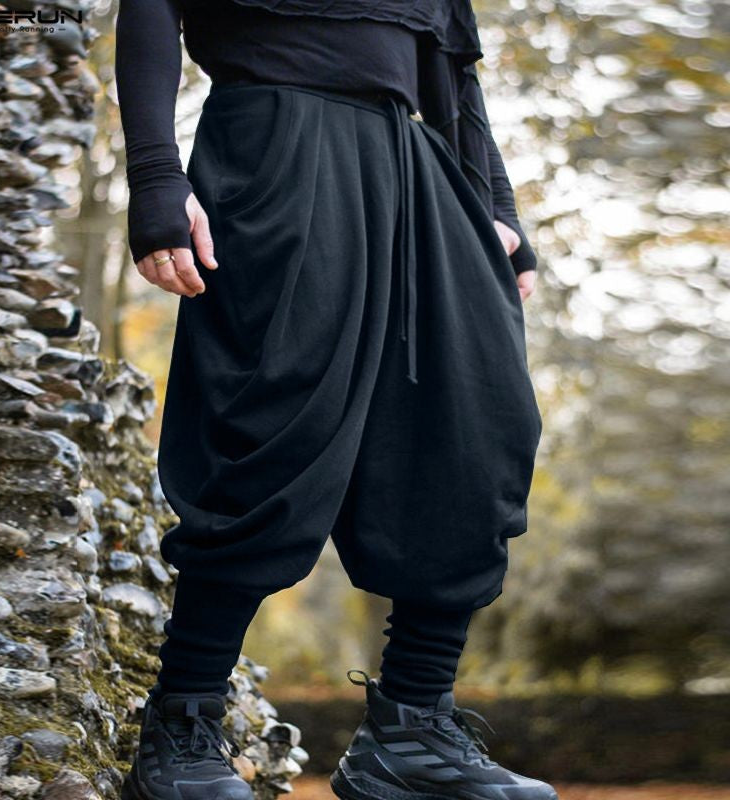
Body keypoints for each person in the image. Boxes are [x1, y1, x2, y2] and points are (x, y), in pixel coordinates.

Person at [115, 2, 552, 800]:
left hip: (421, 161)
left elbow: (451, 69)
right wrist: (154, 176)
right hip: (278, 138)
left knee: (477, 429)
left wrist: (499, 208)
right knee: (271, 423)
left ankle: (411, 733)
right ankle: (183, 723)